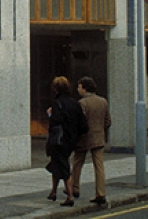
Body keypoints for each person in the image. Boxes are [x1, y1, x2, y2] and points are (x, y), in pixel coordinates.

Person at [68, 76, 111, 206]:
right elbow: (108, 121)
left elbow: (79, 122)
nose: (77, 89)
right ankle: (101, 193)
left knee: (77, 163)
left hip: (84, 139)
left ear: (84, 89)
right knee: (99, 166)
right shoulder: (103, 101)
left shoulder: (82, 103)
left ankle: (74, 187)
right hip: (98, 137)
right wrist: (100, 130)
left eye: (79, 87)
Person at [45, 76, 83, 204]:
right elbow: (83, 124)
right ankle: (53, 191)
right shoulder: (75, 103)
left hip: (59, 140)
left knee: (63, 166)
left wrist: (50, 114)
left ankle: (70, 196)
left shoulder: (57, 103)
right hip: (70, 140)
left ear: (55, 89)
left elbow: (55, 122)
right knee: (56, 164)